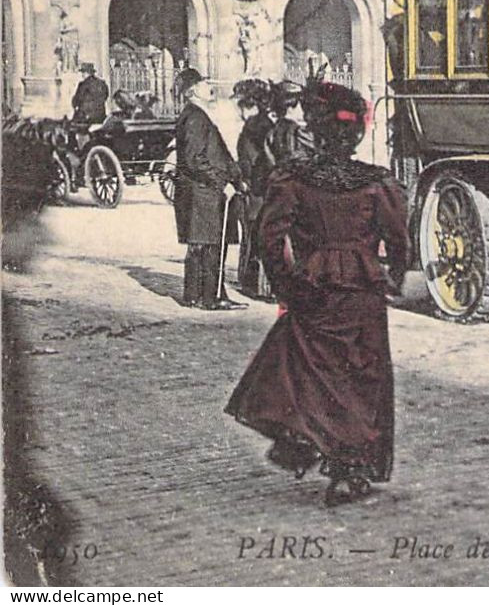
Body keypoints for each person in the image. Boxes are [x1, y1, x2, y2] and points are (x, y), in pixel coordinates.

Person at [227, 82, 409, 507]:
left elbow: (267, 241)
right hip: (362, 294)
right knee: (361, 379)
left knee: (305, 371)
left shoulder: (293, 181)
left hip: (315, 289)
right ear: (355, 135)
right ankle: (350, 468)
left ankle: (303, 439)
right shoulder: (377, 183)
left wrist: (289, 285)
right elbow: (399, 241)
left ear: (315, 130)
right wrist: (391, 276)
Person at [172, 68, 245, 310]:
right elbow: (195, 159)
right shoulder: (195, 118)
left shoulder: (194, 115)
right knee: (211, 245)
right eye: (203, 83)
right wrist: (220, 182)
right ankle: (211, 297)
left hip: (198, 190)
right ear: (193, 90)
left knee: (201, 245)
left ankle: (194, 295)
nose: (209, 86)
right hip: (203, 191)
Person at [232, 79, 276, 301]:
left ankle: (255, 284)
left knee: (254, 235)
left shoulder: (254, 128)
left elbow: (252, 161)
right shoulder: (265, 125)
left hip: (257, 190)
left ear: (250, 105)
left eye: (240, 106)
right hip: (263, 189)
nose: (239, 111)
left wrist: (244, 179)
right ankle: (259, 284)